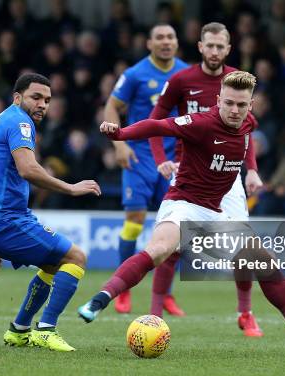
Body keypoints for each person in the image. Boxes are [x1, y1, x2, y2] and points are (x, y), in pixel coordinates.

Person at [78, 71, 285, 348]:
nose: (234, 110)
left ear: (250, 106)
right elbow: (158, 126)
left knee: (263, 262)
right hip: (183, 204)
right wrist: (120, 133)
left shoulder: (247, 123)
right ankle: (100, 299)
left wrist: (252, 170)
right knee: (158, 251)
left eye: (241, 105)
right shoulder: (200, 123)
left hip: (215, 213)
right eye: (228, 103)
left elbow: (247, 138)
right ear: (218, 100)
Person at [148, 22, 264, 336]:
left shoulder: (237, 83)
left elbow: (246, 132)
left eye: (220, 46)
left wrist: (251, 169)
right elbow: (156, 121)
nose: (214, 51)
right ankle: (154, 316)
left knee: (245, 249)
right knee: (170, 246)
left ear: (228, 49)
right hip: (189, 171)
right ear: (200, 47)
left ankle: (245, 313)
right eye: (209, 45)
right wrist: (161, 160)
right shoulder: (181, 80)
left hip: (228, 175)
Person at [0, 73, 100, 352]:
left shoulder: (1, 121)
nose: (43, 104)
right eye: (36, 97)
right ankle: (46, 330)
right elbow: (27, 169)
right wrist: (70, 188)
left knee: (54, 265)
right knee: (76, 257)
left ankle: (19, 330)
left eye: (47, 100)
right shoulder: (20, 122)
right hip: (4, 218)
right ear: (17, 98)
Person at [104, 23, 188, 315]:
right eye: (160, 38)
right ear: (149, 43)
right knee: (135, 220)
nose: (166, 42)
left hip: (175, 160)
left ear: (177, 43)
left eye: (170, 37)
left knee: (174, 229)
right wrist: (119, 145)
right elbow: (111, 107)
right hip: (139, 157)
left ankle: (165, 293)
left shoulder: (186, 73)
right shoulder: (135, 74)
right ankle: (124, 289)